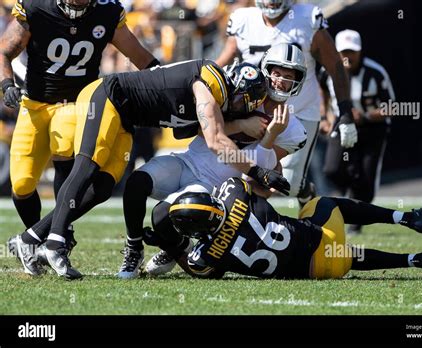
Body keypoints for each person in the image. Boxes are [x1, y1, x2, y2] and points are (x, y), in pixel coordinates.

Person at [10, 59, 288, 279]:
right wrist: (258, 172)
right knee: (86, 166)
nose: (239, 111)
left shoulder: (214, 100)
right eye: (241, 104)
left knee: (103, 187)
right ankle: (55, 243)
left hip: (125, 119)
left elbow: (201, 130)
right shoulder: (210, 84)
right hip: (107, 96)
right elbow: (216, 140)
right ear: (236, 90)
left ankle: (30, 238)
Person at [117, 43, 308, 279]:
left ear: (297, 82)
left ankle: (179, 246)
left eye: (288, 76)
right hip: (189, 160)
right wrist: (239, 125)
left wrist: (270, 135)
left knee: (162, 216)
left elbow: (260, 174)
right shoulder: (242, 85)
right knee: (137, 182)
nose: (279, 81)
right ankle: (134, 249)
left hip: (215, 183)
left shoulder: (292, 128)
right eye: (276, 73)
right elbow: (198, 129)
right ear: (266, 69)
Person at [1, 0, 158, 250]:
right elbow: (4, 52)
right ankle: (37, 238)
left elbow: (140, 56)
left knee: (63, 145)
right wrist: (7, 84)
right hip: (35, 103)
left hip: (78, 102)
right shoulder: (36, 7)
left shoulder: (106, 12)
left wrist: (167, 82)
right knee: (21, 184)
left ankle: (59, 230)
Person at [163, 177, 422, 280]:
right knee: (325, 202)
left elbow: (207, 271)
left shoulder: (204, 258)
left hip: (319, 269)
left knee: (349, 256)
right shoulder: (233, 192)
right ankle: (407, 218)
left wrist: (172, 246)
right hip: (321, 236)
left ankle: (414, 260)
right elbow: (252, 184)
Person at [216, 0, 357, 207]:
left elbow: (335, 66)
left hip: (299, 112)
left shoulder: (307, 19)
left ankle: (304, 193)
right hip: (254, 112)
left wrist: (345, 113)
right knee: (244, 171)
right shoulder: (242, 20)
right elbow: (224, 63)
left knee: (285, 183)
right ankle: (247, 224)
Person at [321, 29, 396, 235]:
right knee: (332, 169)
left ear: (360, 51)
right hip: (342, 123)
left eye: (352, 52)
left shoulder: (376, 73)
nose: (348, 57)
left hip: (372, 128)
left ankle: (356, 220)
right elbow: (321, 92)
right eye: (343, 52)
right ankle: (348, 189)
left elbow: (393, 107)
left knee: (366, 180)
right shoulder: (328, 71)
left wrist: (365, 116)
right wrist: (324, 117)